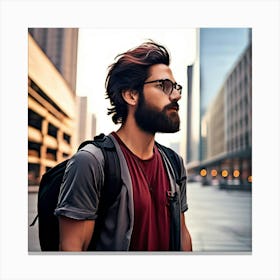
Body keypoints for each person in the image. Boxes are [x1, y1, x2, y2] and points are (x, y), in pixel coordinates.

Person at [54, 41, 192, 251]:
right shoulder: (91, 162)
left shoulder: (174, 163)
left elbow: (183, 236)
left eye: (176, 87)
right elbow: (72, 249)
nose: (176, 95)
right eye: (164, 86)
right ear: (131, 95)